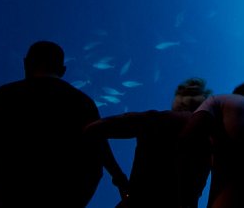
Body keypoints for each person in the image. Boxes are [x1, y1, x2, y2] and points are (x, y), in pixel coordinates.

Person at [0, 40, 128, 208]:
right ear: (63, 70)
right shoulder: (82, 102)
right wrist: (119, 178)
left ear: (26, 63)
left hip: (8, 197)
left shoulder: (4, 95)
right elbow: (100, 149)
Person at [84, 77, 212, 208]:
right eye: (182, 93)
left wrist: (119, 178)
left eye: (193, 93)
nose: (185, 99)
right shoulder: (213, 139)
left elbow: (94, 129)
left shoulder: (154, 120)